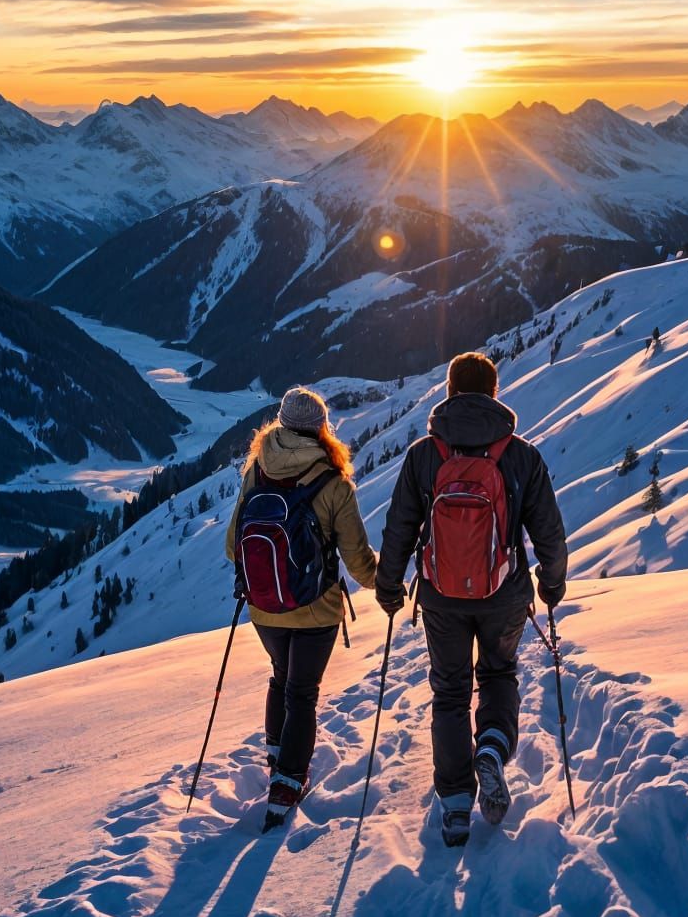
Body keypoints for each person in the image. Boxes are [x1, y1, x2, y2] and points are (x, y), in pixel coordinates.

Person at [377, 351, 567, 847]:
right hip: (504, 594)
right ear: (494, 392)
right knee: (499, 674)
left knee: (450, 692)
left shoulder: (426, 454)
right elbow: (548, 531)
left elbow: (400, 526)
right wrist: (552, 582)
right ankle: (492, 747)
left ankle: (456, 804)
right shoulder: (520, 455)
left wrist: (389, 584)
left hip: (441, 596)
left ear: (450, 391)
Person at [227, 386, 378, 828]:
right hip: (316, 608)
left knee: (281, 677)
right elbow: (357, 560)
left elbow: (232, 544)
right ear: (321, 430)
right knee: (302, 693)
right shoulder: (332, 482)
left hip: (264, 607)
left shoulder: (257, 470)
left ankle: (278, 757)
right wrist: (386, 582)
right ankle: (288, 784)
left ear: (279, 424)